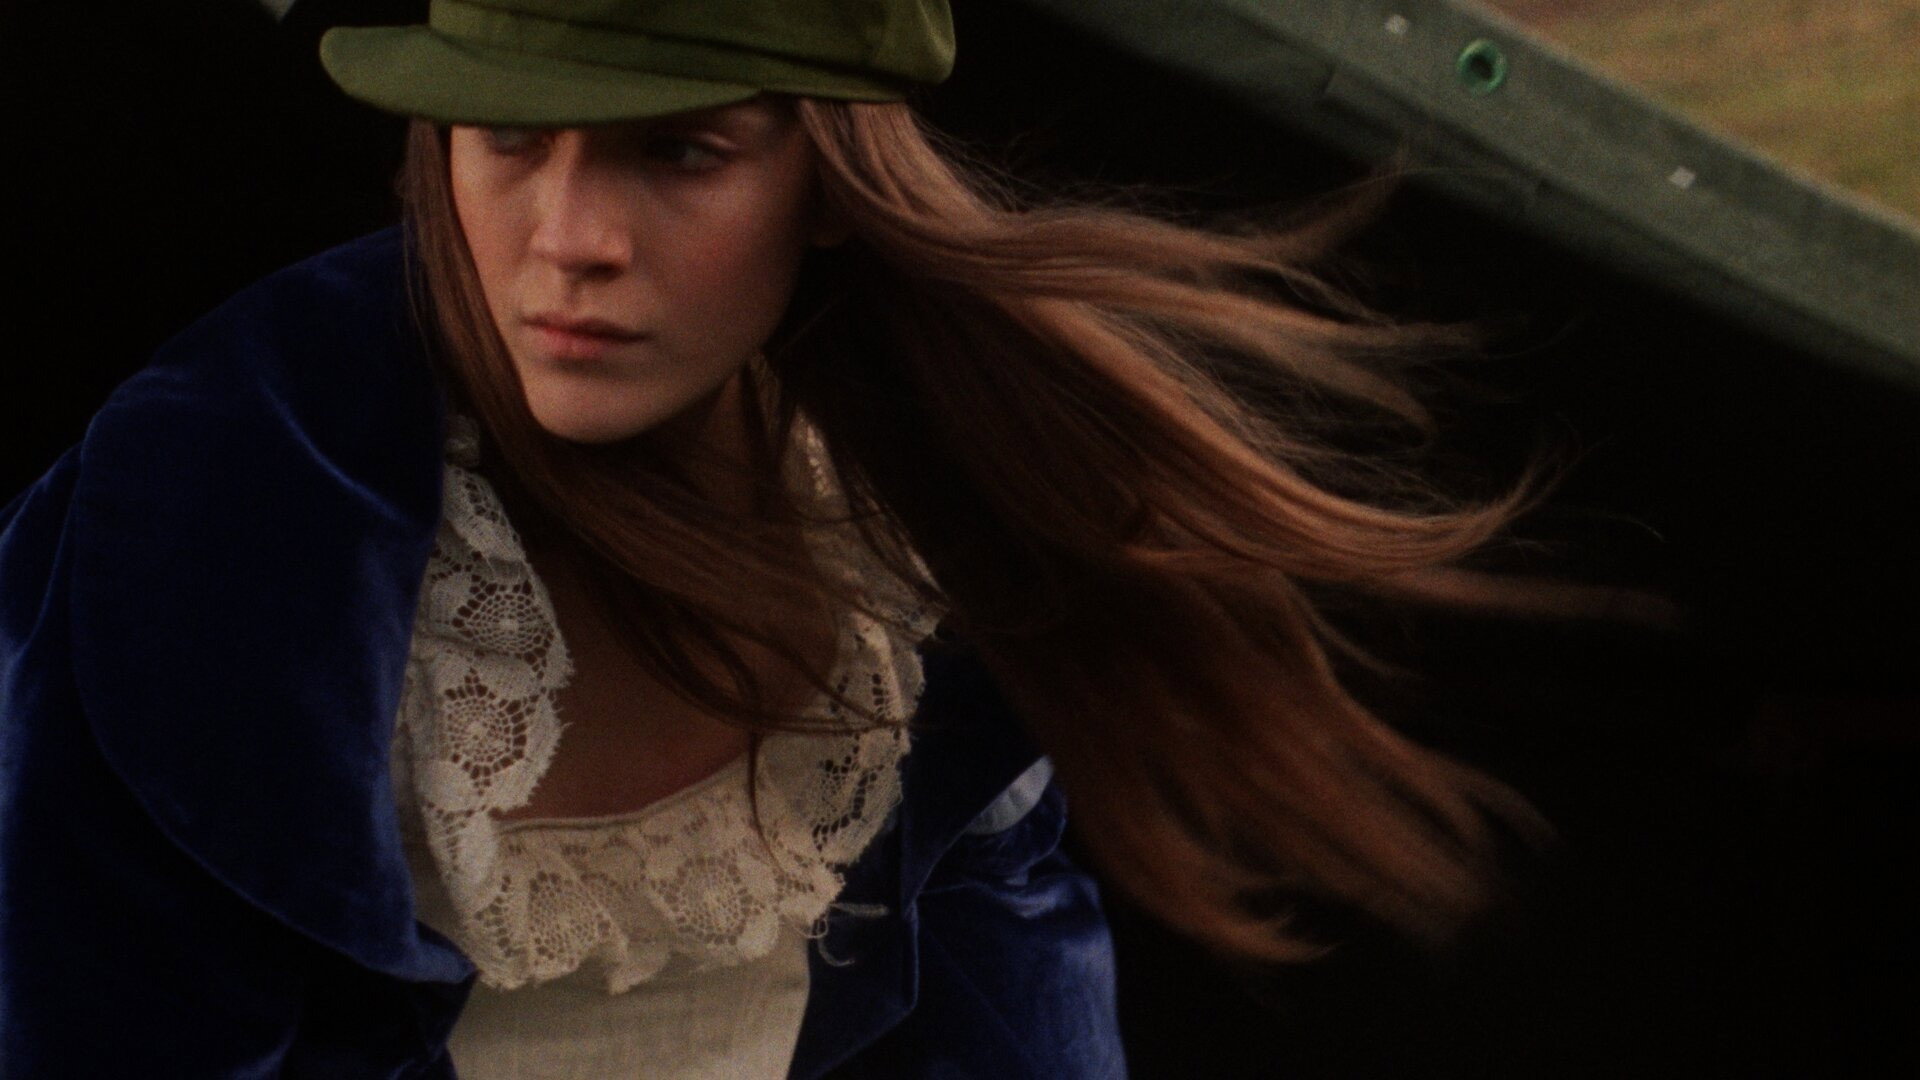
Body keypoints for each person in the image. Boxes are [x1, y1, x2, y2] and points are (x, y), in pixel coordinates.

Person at [0, 1, 1568, 1075]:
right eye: (506, 137)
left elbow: (1008, 957)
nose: (571, 242)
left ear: (831, 172)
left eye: (681, 150)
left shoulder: (908, 508)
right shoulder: (226, 505)